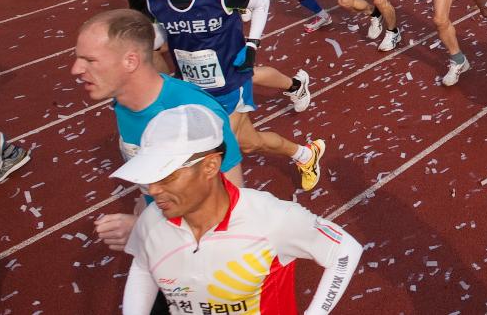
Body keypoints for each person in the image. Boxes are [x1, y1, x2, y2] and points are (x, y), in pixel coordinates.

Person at [116, 105, 362, 315]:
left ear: (210, 166)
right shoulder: (152, 220)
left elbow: (344, 250)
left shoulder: (270, 218)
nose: (153, 190)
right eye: (149, 177)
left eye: (166, 176)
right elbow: (143, 265)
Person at [141, 0, 325, 190]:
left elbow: (261, 3)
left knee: (217, 146)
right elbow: (167, 31)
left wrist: (252, 45)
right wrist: (149, 41)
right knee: (248, 143)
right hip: (192, 88)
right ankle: (305, 155)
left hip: (229, 82)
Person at [71, 8, 245, 254]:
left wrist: (147, 230)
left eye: (90, 60)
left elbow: (232, 210)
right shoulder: (122, 102)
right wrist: (148, 202)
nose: (76, 69)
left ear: (130, 61)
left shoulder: (195, 115)